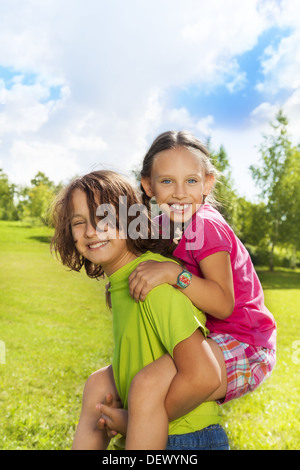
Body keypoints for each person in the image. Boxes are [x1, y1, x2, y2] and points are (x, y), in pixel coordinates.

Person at [50, 170, 229, 450]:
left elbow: (204, 375)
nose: (90, 231)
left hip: (186, 439)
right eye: (79, 222)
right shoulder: (121, 282)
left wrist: (134, 420)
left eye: (103, 218)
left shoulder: (152, 280)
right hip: (154, 433)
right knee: (98, 385)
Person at [127, 130, 276, 413]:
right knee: (142, 379)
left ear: (207, 183)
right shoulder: (163, 222)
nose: (180, 192)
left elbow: (222, 303)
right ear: (149, 186)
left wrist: (173, 274)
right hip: (209, 336)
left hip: (245, 343)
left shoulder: (205, 225)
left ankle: (136, 424)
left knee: (154, 384)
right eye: (167, 181)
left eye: (191, 181)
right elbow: (133, 256)